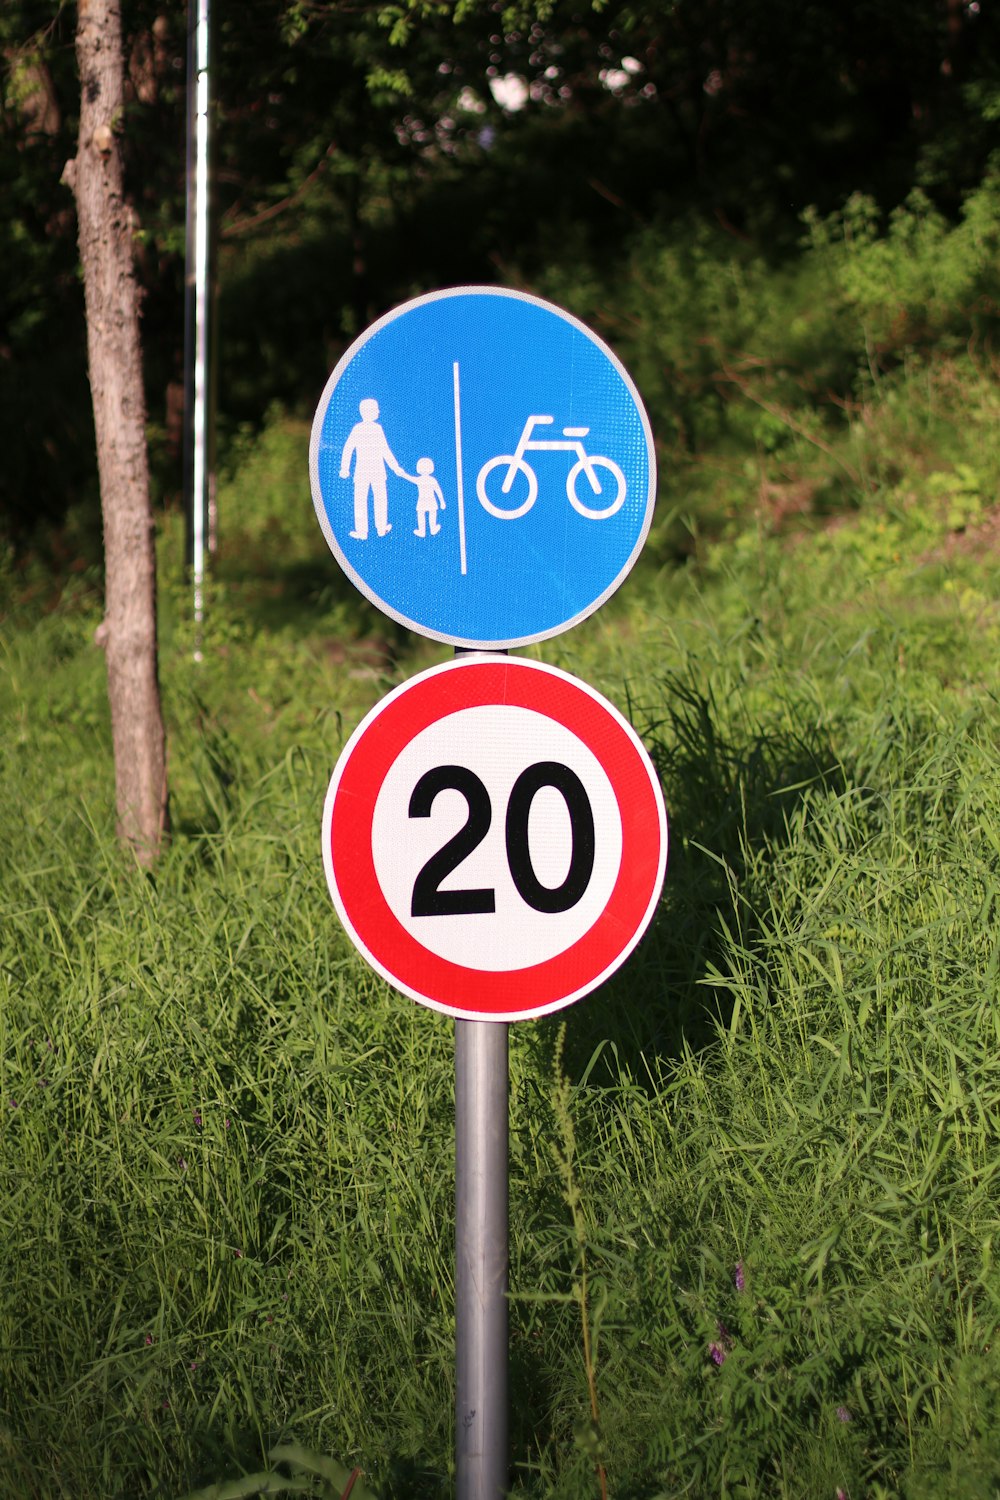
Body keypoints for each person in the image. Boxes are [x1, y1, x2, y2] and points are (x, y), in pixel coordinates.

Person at [339, 398, 407, 539]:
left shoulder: (377, 429)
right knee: (362, 500)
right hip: (366, 471)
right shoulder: (359, 429)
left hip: (376, 471)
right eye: (376, 409)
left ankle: (380, 528)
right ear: (367, 412)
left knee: (378, 499)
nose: (378, 411)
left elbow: (384, 450)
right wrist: (344, 468)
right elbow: (348, 448)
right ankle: (363, 531)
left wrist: (395, 468)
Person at [410, 457, 446, 537]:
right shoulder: (430, 480)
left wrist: (442, 501)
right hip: (429, 500)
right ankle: (430, 529)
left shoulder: (422, 479)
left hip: (424, 500)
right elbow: (438, 491)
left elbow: (438, 491)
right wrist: (442, 502)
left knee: (423, 514)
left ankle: (424, 530)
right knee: (429, 513)